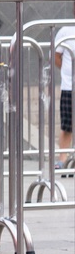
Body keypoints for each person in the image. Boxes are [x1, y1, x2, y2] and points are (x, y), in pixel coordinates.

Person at [53, 20, 75, 173]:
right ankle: (62, 159)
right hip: (69, 86)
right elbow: (56, 57)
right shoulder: (65, 30)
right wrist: (68, 72)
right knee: (67, 125)